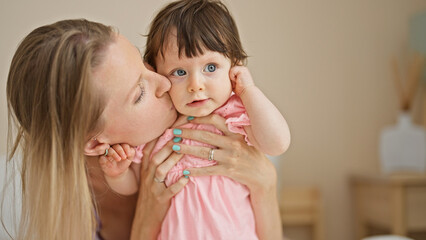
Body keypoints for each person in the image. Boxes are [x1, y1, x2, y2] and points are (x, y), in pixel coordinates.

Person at [5, 18, 283, 240]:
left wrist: (265, 183)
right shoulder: (69, 209)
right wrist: (147, 218)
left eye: (144, 64)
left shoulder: (223, 133)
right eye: (139, 93)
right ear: (94, 143)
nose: (164, 82)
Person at [98, 0, 290, 239]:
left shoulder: (235, 112)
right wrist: (117, 174)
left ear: (234, 66)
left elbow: (277, 143)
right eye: (180, 72)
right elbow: (134, 185)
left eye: (210, 67)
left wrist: (249, 91)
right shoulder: (159, 126)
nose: (195, 85)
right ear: (158, 74)